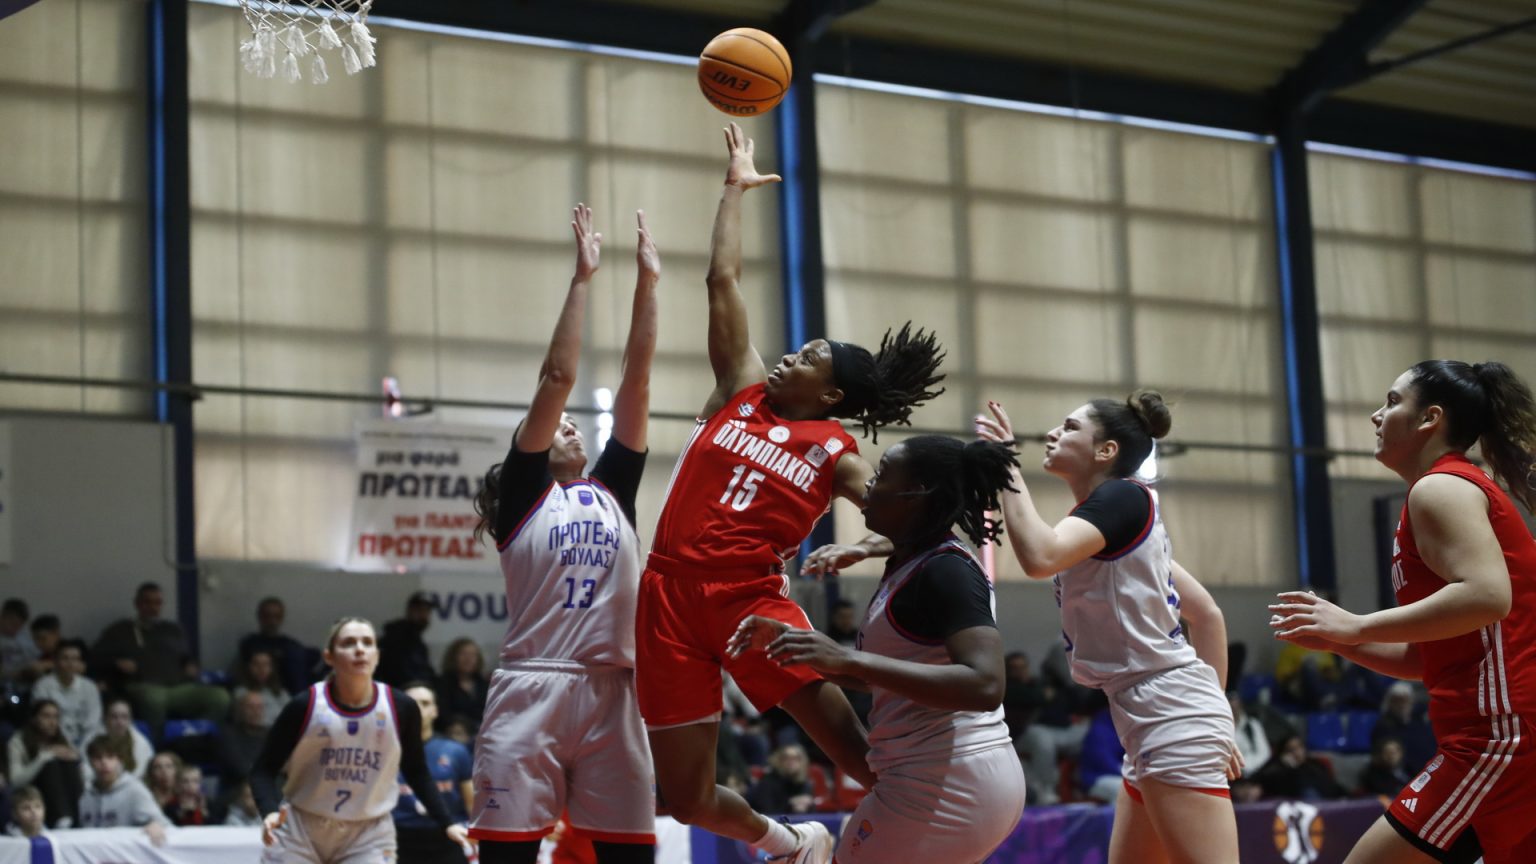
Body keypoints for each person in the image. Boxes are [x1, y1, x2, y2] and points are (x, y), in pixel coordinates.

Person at [639, 123, 945, 864]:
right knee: (685, 797)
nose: (787, 356)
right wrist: (734, 189)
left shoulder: (838, 453)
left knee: (860, 760)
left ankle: (930, 841)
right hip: (666, 594)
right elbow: (722, 281)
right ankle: (792, 843)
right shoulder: (739, 390)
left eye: (807, 357)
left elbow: (912, 522)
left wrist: (866, 545)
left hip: (749, 601)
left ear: (831, 394)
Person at [1270, 360, 1536, 864]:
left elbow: (1487, 595)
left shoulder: (1441, 488)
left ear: (1430, 419)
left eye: (1392, 402)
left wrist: (1356, 624)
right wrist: (1342, 642)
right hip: (1505, 731)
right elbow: (1425, 658)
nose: (1377, 415)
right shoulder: (1444, 490)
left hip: (1503, 733)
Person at [969, 395, 1241, 864]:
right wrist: (1217, 720)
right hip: (1153, 716)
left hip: (1171, 714)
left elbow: (1040, 556)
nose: (1053, 433)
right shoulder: (1117, 523)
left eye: (1070, 426)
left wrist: (1007, 467)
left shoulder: (1123, 497)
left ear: (1105, 450)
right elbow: (1208, 615)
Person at [467, 204, 659, 864]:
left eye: (577, 424)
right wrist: (582, 279)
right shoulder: (526, 500)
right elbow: (557, 378)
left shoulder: (612, 492)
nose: (570, 424)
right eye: (558, 426)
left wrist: (648, 285)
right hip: (532, 689)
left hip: (615, 692)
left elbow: (637, 381)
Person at [735, 434, 1026, 862]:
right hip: (949, 778)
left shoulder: (947, 572)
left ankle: (807, 848)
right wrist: (804, 651)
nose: (868, 483)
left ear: (916, 493)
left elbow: (985, 685)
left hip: (951, 781)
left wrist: (848, 657)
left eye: (883, 474)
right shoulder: (914, 560)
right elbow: (892, 677)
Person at [251, 617, 468, 862]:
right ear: (329, 657)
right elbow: (263, 770)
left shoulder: (401, 707)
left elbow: (416, 771)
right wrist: (269, 811)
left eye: (367, 642)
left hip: (368, 833)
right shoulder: (305, 705)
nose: (359, 649)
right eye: (348, 643)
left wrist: (448, 823)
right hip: (301, 825)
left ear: (377, 655)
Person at [90, 581, 230, 732]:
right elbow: (94, 657)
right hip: (143, 685)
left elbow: (187, 657)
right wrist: (116, 663)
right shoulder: (120, 630)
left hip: (178, 687)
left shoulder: (173, 629)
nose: (153, 608)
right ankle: (156, 743)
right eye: (148, 602)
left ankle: (199, 737)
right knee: (154, 699)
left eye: (157, 603)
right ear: (137, 604)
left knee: (220, 697)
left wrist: (191, 665)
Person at [393, 683, 474, 864]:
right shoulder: (386, 750)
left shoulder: (455, 750)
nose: (418, 708)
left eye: (425, 703)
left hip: (448, 836)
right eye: (412, 702)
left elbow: (471, 805)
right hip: (398, 839)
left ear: (435, 711)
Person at [77, 734, 168, 845]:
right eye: (98, 758)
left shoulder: (134, 790)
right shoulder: (84, 794)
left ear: (119, 760)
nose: (104, 763)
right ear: (90, 762)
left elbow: (163, 824)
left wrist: (155, 825)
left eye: (110, 757)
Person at [6, 699, 83, 828]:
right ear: (34, 719)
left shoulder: (63, 739)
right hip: (32, 792)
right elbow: (16, 781)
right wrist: (42, 758)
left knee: (69, 764)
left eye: (56, 717)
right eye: (46, 716)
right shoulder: (18, 741)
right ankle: (61, 817)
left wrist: (76, 760)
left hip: (66, 795)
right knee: (50, 765)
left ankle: (77, 818)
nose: (52, 722)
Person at [30, 640, 102, 750]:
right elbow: (43, 720)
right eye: (65, 658)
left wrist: (82, 746)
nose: (70, 663)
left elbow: (93, 720)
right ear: (55, 661)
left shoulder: (90, 687)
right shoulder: (42, 686)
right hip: (53, 739)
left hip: (85, 740)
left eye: (75, 659)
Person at [236, 596, 316, 693]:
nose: (272, 621)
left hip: (286, 692)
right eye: (268, 616)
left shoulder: (290, 644)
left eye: (277, 616)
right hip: (259, 691)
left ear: (282, 618)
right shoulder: (250, 643)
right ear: (260, 616)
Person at [1253, 734, 1345, 801]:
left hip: (1328, 803)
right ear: (1283, 754)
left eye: (1299, 747)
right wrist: (1289, 767)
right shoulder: (1278, 769)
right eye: (1291, 749)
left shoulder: (1315, 764)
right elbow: (1260, 777)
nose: (1297, 752)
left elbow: (1330, 785)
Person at [1371, 681, 1436, 774]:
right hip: (1406, 776)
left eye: (1405, 700)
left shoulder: (1420, 723)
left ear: (1411, 702)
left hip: (1431, 770)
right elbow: (1387, 760)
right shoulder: (1383, 728)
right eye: (1397, 701)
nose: (1402, 705)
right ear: (1389, 703)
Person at [377, 592, 436, 687]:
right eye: (420, 610)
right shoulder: (395, 639)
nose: (423, 615)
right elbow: (402, 674)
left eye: (427, 611)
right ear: (410, 611)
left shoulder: (419, 643)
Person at [434, 637, 488, 736]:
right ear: (453, 657)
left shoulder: (485, 684)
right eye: (463, 654)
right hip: (451, 733)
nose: (468, 659)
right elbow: (442, 715)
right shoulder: (442, 684)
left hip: (481, 732)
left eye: (473, 655)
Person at [745, 744, 815, 816]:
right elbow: (767, 813)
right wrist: (790, 805)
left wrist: (806, 806)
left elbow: (813, 813)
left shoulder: (805, 782)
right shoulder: (768, 781)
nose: (791, 762)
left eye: (796, 758)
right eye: (786, 758)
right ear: (779, 760)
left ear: (802, 761)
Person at [95, 697, 154, 780]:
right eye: (114, 717)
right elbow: (86, 771)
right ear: (105, 719)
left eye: (124, 717)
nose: (120, 722)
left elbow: (141, 773)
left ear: (130, 720)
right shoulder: (93, 739)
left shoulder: (141, 744)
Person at [233, 649, 290, 728]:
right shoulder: (241, 693)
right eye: (256, 664)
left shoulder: (281, 693)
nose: (261, 669)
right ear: (248, 667)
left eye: (266, 664)